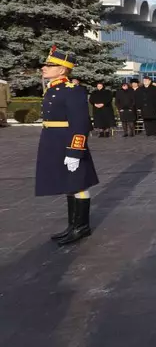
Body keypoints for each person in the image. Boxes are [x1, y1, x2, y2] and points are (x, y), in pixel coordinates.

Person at [37, 47, 99, 246]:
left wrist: (75, 151)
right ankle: (73, 225)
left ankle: (82, 227)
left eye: (49, 65)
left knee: (78, 183)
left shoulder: (73, 91)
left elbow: (80, 123)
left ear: (63, 70)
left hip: (67, 141)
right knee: (69, 184)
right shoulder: (53, 88)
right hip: (54, 141)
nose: (44, 68)